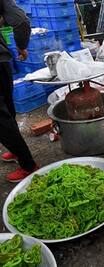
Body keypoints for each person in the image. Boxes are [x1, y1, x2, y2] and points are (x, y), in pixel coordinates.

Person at [0, 0, 38, 182]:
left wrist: (21, 46)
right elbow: (20, 19)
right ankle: (17, 151)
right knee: (6, 109)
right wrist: (21, 46)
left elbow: (21, 21)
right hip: (3, 61)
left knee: (2, 118)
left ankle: (28, 165)